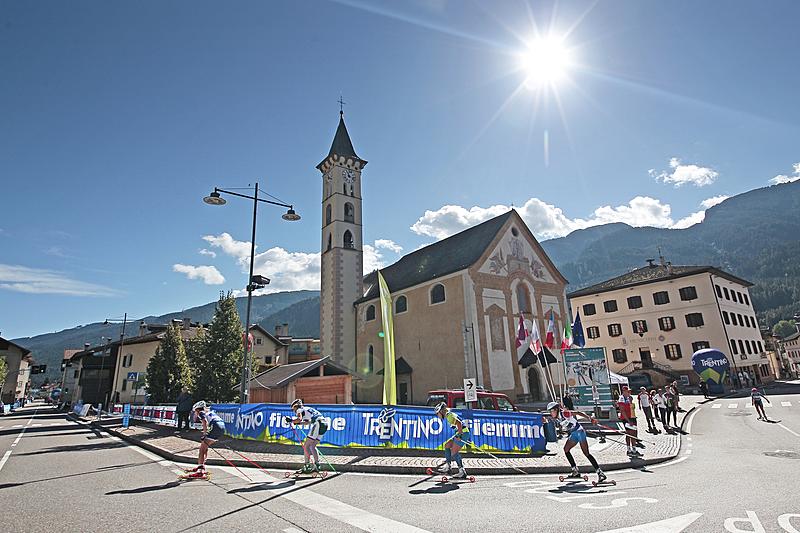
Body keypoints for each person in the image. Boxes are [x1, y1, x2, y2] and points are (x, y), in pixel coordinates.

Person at [546, 401, 607, 483]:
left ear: (556, 409)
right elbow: (563, 427)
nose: (551, 413)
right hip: (574, 434)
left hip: (580, 432)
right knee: (566, 449)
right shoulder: (557, 419)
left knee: (586, 453)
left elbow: (578, 413)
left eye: (552, 411)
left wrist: (590, 419)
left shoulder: (565, 413)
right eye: (550, 411)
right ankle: (575, 471)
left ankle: (600, 473)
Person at [286, 399, 328, 474]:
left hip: (317, 423)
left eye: (293, 409)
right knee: (313, 446)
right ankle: (317, 465)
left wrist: (291, 421)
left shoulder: (299, 410)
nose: (294, 411)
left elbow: (299, 419)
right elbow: (307, 422)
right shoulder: (306, 409)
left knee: (306, 446)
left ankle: (307, 466)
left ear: (296, 406)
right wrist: (298, 423)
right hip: (324, 424)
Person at [185, 400, 226, 478]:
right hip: (221, 426)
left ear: (197, 409)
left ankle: (200, 471)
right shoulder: (209, 411)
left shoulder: (201, 412)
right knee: (205, 447)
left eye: (195, 412)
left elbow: (204, 421)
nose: (195, 414)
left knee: (201, 449)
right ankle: (202, 465)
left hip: (216, 426)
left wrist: (204, 434)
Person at [433, 402, 470, 479]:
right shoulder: (448, 415)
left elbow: (459, 423)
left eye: (437, 413)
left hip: (462, 433)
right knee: (447, 445)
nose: (437, 415)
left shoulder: (449, 416)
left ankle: (462, 471)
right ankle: (448, 467)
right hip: (460, 433)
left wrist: (459, 435)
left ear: (442, 411)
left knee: (454, 452)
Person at [617, 386, 642, 457]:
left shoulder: (628, 398)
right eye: (628, 391)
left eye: (630, 391)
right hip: (626, 418)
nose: (629, 393)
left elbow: (632, 409)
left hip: (632, 417)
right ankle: (628, 449)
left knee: (633, 433)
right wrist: (628, 421)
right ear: (624, 391)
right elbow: (622, 411)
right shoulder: (621, 399)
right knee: (629, 433)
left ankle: (634, 449)